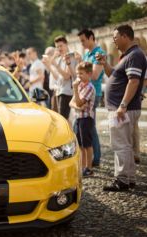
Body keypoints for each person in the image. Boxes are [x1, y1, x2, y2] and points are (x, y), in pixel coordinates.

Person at [97, 25, 147, 191]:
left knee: (120, 145)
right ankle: (130, 178)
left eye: (116, 37)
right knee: (125, 143)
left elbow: (133, 81)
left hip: (123, 109)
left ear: (125, 36)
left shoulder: (135, 55)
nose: (114, 40)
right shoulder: (128, 56)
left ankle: (122, 180)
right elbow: (114, 76)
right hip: (122, 108)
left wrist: (122, 105)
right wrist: (105, 64)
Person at [78, 29, 104, 167]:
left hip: (94, 92)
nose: (82, 43)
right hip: (85, 92)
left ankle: (96, 158)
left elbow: (93, 75)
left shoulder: (99, 54)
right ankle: (94, 158)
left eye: (83, 40)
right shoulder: (87, 54)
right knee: (89, 127)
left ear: (91, 38)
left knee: (90, 127)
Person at [69, 62, 95, 177]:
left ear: (89, 74)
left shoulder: (89, 87)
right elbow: (72, 103)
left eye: (81, 73)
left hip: (86, 119)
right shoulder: (80, 86)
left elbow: (79, 102)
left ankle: (89, 168)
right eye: (77, 73)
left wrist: (75, 89)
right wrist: (77, 106)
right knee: (79, 144)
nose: (78, 76)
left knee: (87, 144)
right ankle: (83, 166)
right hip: (78, 118)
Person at [52, 36, 77, 120]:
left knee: (64, 119)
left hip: (67, 92)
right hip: (59, 91)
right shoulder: (59, 59)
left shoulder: (71, 57)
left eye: (61, 46)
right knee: (62, 119)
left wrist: (55, 65)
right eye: (57, 47)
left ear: (66, 45)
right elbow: (58, 77)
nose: (59, 48)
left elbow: (67, 76)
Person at [42, 46, 58, 111]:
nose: (45, 56)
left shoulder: (55, 63)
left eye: (47, 54)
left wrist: (49, 65)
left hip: (55, 91)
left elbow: (56, 77)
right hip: (49, 91)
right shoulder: (49, 64)